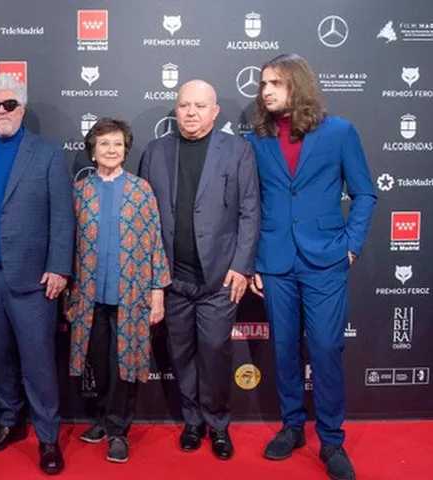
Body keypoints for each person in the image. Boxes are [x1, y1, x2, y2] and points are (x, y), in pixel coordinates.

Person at [246, 54, 376, 480]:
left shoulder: (339, 132)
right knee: (283, 348)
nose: (266, 90)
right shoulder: (257, 139)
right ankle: (290, 427)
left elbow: (365, 193)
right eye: (264, 83)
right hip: (276, 260)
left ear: (297, 86)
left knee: (324, 348)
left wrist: (350, 246)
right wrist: (255, 264)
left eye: (276, 83)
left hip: (325, 259)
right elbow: (253, 205)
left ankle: (332, 440)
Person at [138, 80, 260, 460]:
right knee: (181, 353)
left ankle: (218, 424)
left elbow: (250, 212)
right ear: (175, 110)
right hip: (172, 279)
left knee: (214, 352)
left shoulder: (238, 150)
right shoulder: (155, 152)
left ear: (215, 111)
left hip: (219, 279)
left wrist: (241, 267)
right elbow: (143, 216)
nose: (190, 112)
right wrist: (153, 277)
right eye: (184, 105)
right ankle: (192, 422)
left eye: (199, 106)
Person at [0, 74, 74, 475]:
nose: (1, 112)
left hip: (34, 280)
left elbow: (63, 216)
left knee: (39, 364)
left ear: (22, 109)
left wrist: (60, 266)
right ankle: (9, 422)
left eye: (9, 105)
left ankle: (48, 439)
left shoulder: (46, 153)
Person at [67, 118, 171, 464]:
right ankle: (99, 419)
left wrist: (157, 290)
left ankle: (118, 431)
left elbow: (155, 241)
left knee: (124, 363)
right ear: (92, 151)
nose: (110, 150)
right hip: (89, 295)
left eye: (116, 144)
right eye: (103, 144)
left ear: (125, 149)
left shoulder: (141, 190)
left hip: (132, 294)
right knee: (96, 362)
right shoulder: (80, 190)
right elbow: (70, 243)